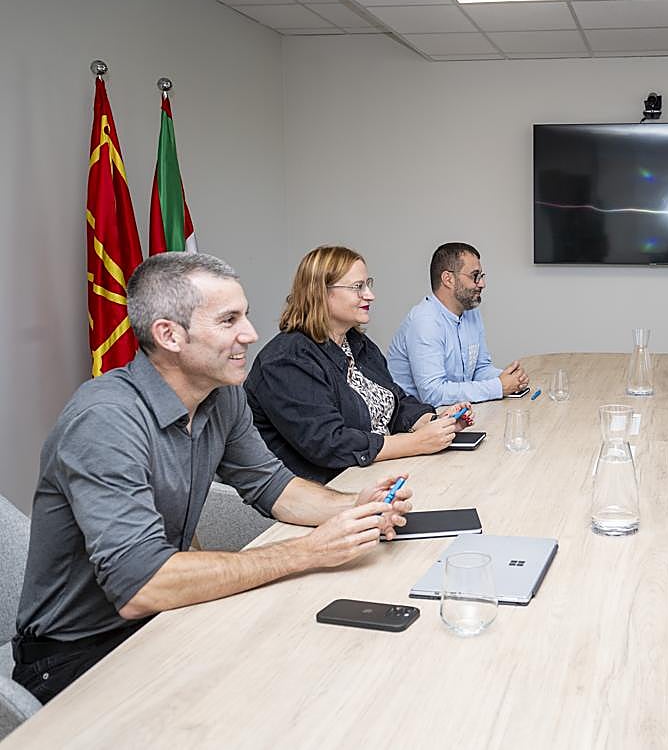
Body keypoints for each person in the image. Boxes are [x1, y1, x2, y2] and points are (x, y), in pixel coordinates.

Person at [13, 253, 414, 704]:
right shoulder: (105, 420)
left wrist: (357, 507)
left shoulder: (221, 397)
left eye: (245, 316)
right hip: (78, 656)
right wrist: (308, 551)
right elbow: (142, 586)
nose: (251, 334)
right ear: (170, 335)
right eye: (229, 320)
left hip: (162, 620)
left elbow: (275, 488)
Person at [245, 246, 471, 484]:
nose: (370, 295)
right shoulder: (287, 360)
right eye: (358, 287)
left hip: (374, 474)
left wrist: (435, 422)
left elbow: (396, 402)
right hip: (325, 490)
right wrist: (417, 442)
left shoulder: (356, 343)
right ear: (321, 292)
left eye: (368, 284)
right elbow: (329, 444)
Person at [387, 242, 527, 406]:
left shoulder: (471, 312)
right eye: (475, 276)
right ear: (448, 279)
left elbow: (479, 369)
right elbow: (433, 394)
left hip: (455, 412)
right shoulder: (425, 322)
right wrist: (498, 386)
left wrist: (509, 379)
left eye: (481, 276)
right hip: (418, 421)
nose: (482, 284)